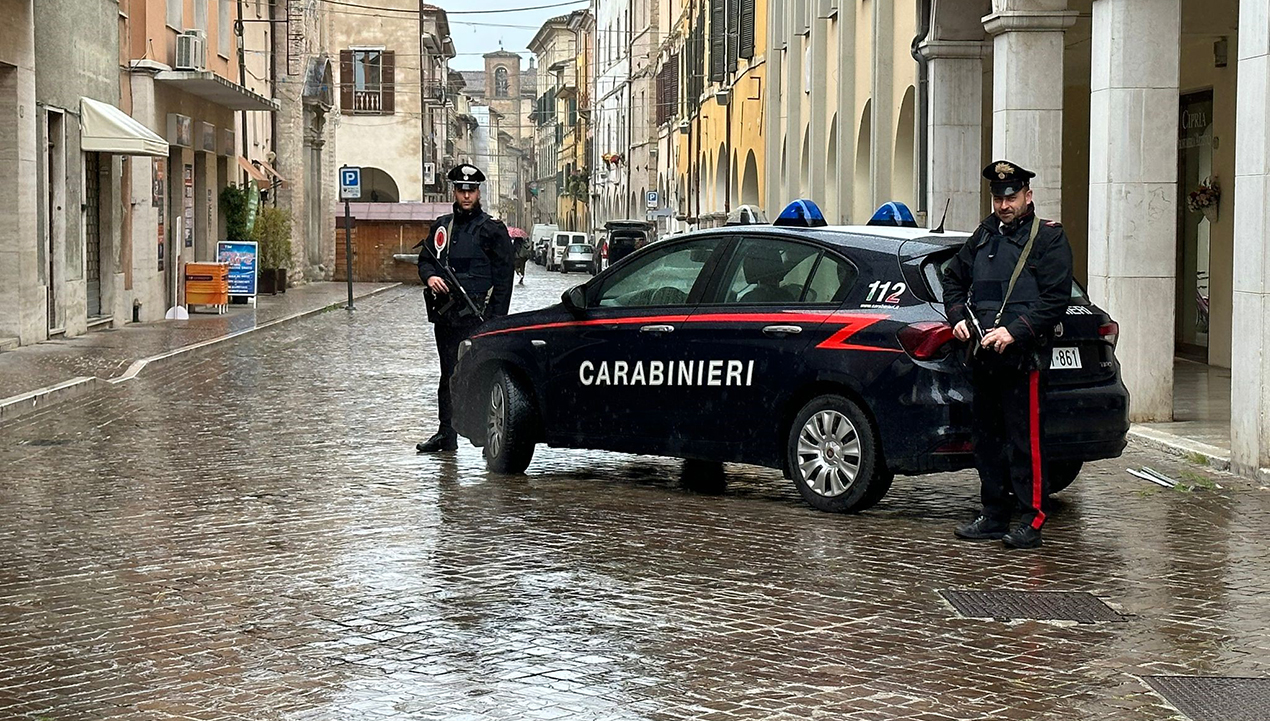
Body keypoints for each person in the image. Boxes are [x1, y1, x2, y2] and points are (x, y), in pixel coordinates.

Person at [941, 160, 1074, 549]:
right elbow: (953, 279)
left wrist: (1014, 332)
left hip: (1023, 359)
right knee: (986, 440)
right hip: (984, 357)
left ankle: (1032, 519)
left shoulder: (1048, 238)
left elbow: (1054, 301)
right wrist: (958, 319)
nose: (1003, 205)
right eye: (998, 198)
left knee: (1024, 442)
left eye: (1011, 197)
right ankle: (994, 514)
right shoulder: (984, 235)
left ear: (1027, 196)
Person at [415, 164, 515, 453]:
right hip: (447, 316)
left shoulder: (492, 230)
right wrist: (430, 276)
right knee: (448, 375)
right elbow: (425, 260)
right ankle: (446, 433)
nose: (467, 195)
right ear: (455, 192)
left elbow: (504, 279)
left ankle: (487, 436)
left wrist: (497, 320)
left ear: (478, 193)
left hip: (479, 317)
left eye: (471, 190)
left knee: (482, 374)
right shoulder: (442, 227)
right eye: (462, 190)